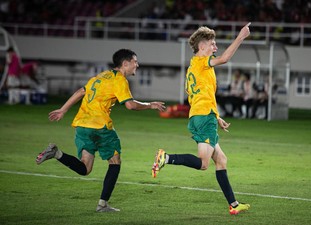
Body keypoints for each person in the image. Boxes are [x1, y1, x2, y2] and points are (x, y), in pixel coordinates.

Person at [35, 49, 166, 212]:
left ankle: (57, 153)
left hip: (82, 125)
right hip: (100, 126)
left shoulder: (101, 76)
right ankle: (102, 205)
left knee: (85, 168)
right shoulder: (120, 80)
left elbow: (80, 92)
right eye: (135, 62)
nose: (137, 65)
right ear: (125, 63)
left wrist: (63, 109)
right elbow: (130, 105)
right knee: (115, 161)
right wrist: (150, 105)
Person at [151, 23, 251, 215]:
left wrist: (217, 117)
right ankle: (166, 158)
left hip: (202, 115)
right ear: (202, 46)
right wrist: (240, 37)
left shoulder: (194, 68)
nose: (215, 48)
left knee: (221, 159)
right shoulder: (201, 62)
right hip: (204, 117)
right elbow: (225, 58)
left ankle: (234, 204)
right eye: (213, 44)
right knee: (203, 164)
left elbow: (201, 96)